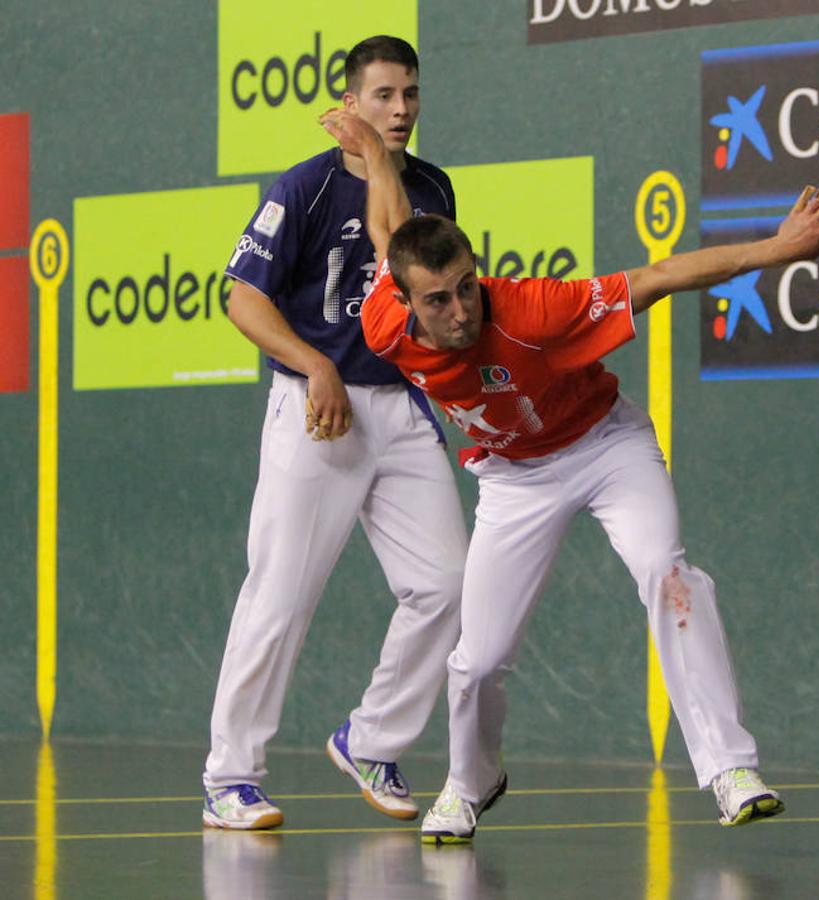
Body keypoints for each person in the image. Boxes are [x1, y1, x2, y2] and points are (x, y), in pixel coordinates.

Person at [326, 110, 819, 843]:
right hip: (512, 479)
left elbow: (659, 275)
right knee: (475, 662)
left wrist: (780, 247)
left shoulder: (533, 309)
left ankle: (730, 768)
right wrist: (378, 154)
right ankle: (470, 783)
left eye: (467, 287)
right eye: (437, 300)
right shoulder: (384, 321)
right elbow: (391, 228)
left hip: (606, 447)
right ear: (406, 303)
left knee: (667, 573)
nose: (460, 310)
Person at [201, 36, 468, 831]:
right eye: (383, 95)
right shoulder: (305, 189)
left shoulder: (429, 187)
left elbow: (400, 262)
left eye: (410, 94)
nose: (400, 109)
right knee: (279, 594)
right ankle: (230, 775)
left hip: (399, 409)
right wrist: (313, 363)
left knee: (451, 587)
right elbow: (243, 297)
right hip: (316, 411)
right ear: (349, 103)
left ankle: (372, 736)